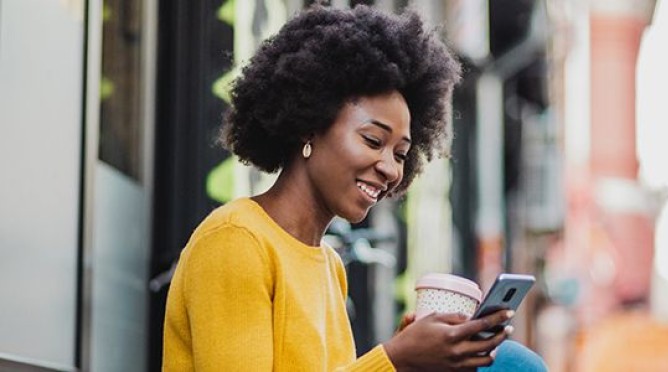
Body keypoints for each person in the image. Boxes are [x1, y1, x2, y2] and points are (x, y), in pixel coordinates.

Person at [162, 4, 547, 371]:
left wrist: (411, 362)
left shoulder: (329, 265)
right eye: (373, 140)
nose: (389, 168)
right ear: (309, 125)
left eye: (401, 153)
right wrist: (395, 360)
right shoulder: (236, 241)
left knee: (509, 361)